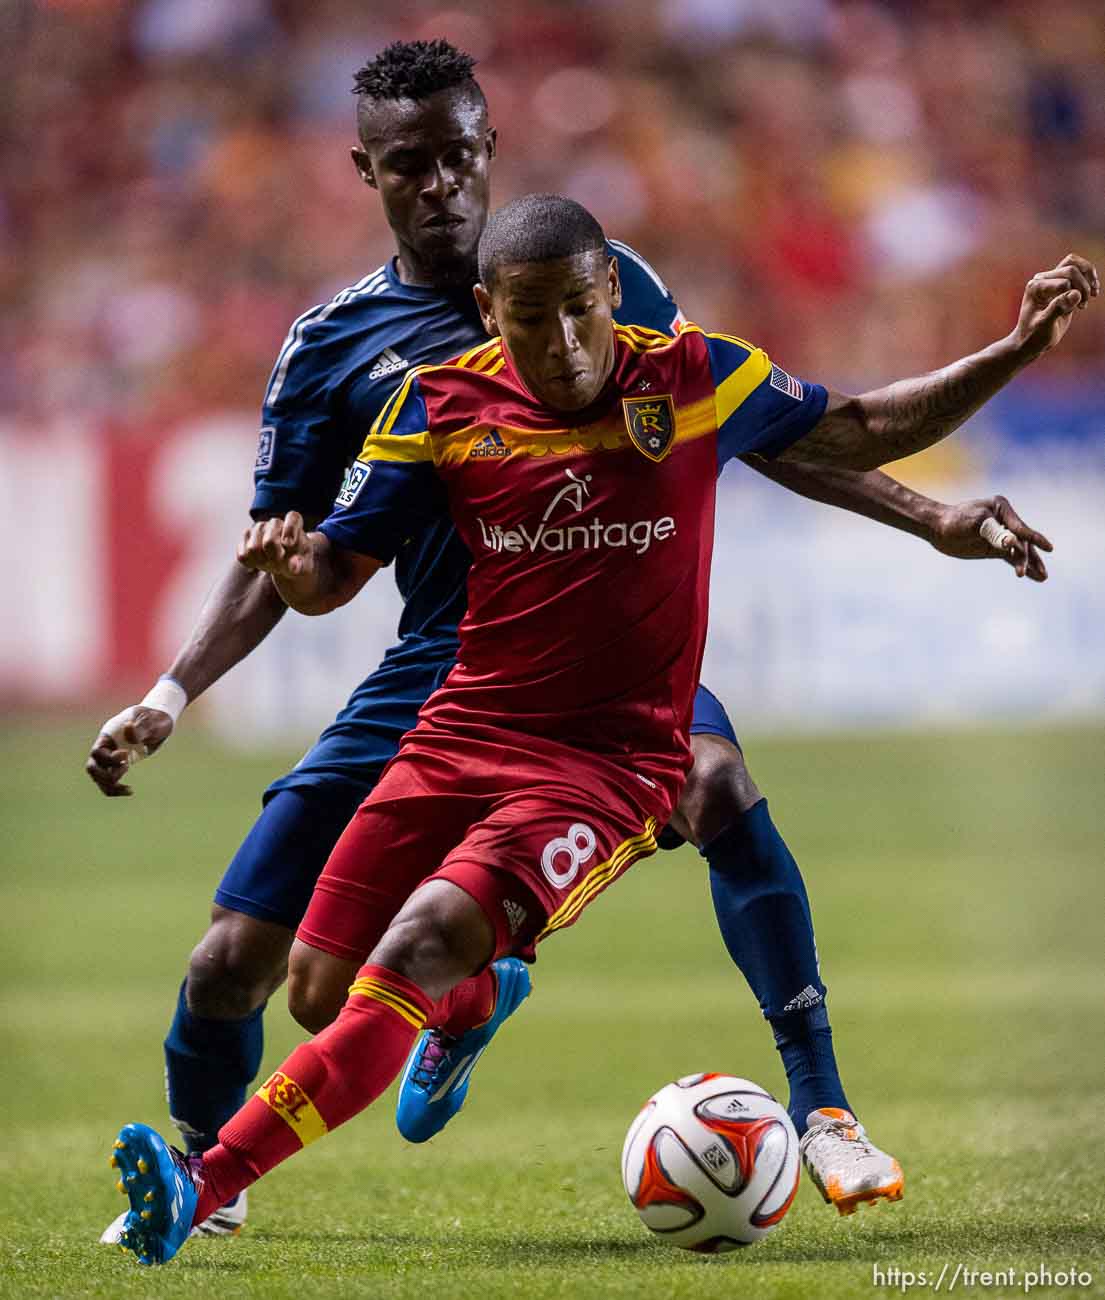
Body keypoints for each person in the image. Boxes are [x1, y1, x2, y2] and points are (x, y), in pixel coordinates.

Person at [90, 41, 1058, 1241]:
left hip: (607, 666)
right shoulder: (344, 353)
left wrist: (934, 515)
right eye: (410, 165)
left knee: (712, 775)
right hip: (443, 673)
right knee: (261, 968)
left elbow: (776, 429)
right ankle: (451, 1007)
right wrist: (174, 692)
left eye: (458, 155)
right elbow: (295, 554)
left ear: (489, 150)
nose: (440, 182)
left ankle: (823, 1104)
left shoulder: (620, 288)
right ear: (367, 173)